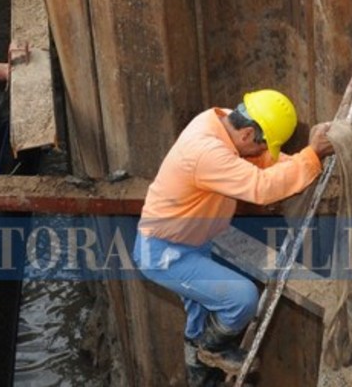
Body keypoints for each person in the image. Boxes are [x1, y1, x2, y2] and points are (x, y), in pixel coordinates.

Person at [135, 90, 334, 385]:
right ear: (248, 133)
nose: (266, 150)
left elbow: (262, 160)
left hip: (191, 241)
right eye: (264, 143)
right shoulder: (207, 152)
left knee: (200, 319)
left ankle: (202, 375)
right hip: (166, 254)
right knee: (241, 299)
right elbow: (262, 187)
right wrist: (312, 156)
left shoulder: (225, 122)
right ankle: (212, 349)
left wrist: (302, 161)